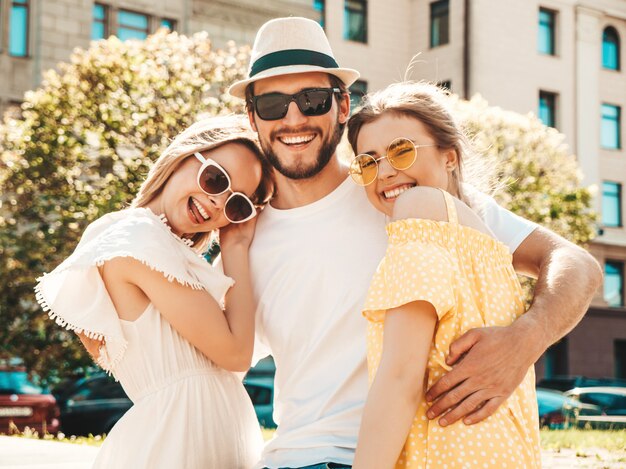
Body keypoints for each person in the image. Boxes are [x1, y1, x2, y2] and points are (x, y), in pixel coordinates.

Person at [228, 16, 601, 469]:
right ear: (252, 117)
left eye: (312, 99)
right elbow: (221, 354)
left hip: (411, 454)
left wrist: (527, 338)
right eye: (271, 104)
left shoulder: (403, 191)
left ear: (342, 105)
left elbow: (574, 262)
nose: (294, 118)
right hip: (293, 457)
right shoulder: (243, 237)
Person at [35, 115, 272, 468]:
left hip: (192, 437)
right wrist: (235, 247)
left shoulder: (169, 252)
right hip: (172, 443)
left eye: (237, 204)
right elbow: (236, 353)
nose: (218, 203)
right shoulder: (137, 241)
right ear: (184, 156)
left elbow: (223, 369)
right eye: (215, 179)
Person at [348, 81, 541, 468]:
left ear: (449, 158)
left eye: (400, 151)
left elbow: (402, 376)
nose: (384, 171)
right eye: (367, 162)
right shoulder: (486, 246)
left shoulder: (419, 207)